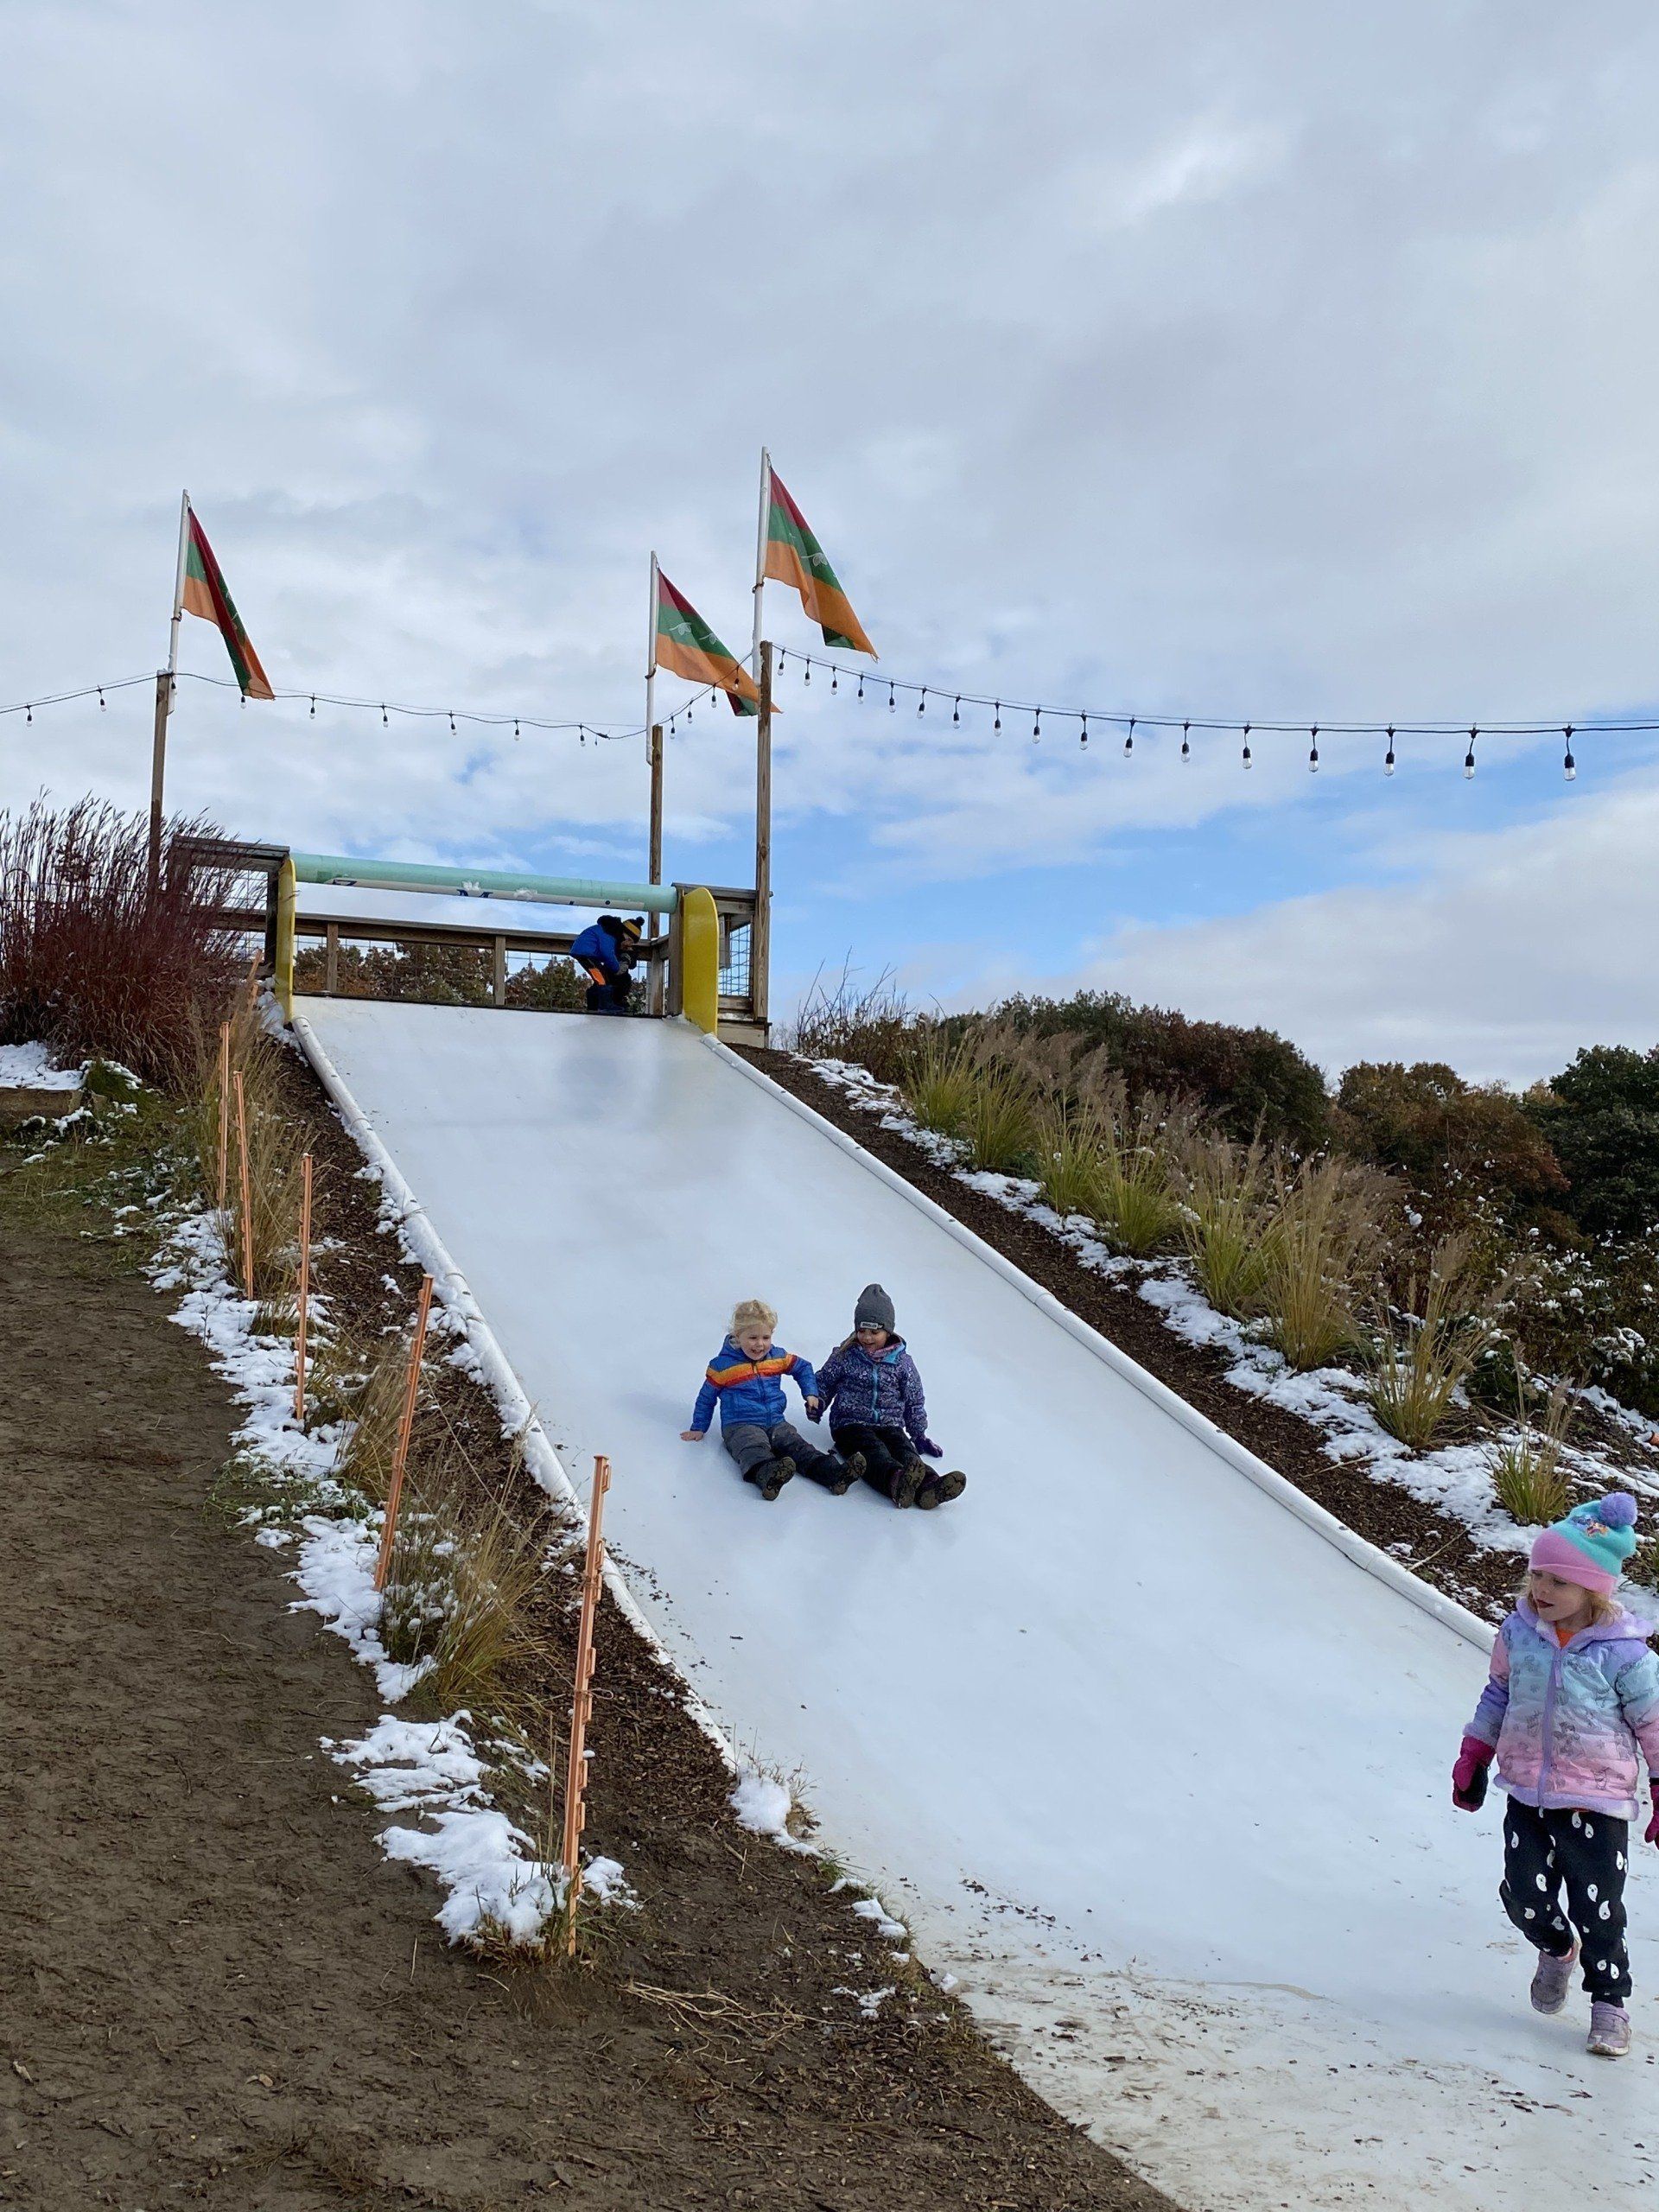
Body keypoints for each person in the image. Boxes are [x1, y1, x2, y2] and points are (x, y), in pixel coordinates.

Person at [1452, 1491, 1659, 2058]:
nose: (1541, 1589)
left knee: (1600, 1910)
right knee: (1522, 1895)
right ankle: (1556, 1947)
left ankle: (1610, 2004)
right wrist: (1475, 1753)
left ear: (1593, 1591)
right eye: (1537, 1575)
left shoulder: (1626, 1656)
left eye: (1559, 1581)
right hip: (1527, 1792)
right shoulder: (1518, 1633)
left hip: (1596, 1801)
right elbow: (1499, 1693)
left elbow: (1653, 1725)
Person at [681, 1298, 862, 1502]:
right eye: (752, 1337)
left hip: (776, 1421)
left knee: (797, 1446)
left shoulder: (776, 1357)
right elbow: (706, 1398)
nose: (760, 1344)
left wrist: (811, 1393)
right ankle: (769, 1475)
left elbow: (802, 1367)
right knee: (753, 1448)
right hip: (740, 1425)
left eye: (765, 1337)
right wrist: (698, 1427)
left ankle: (834, 1474)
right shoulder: (723, 1366)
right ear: (737, 1335)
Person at [814, 1283, 966, 1510]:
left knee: (904, 1450)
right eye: (862, 1331)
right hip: (850, 1424)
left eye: (874, 1332)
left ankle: (930, 1487)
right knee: (873, 1452)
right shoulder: (845, 1356)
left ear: (888, 1331)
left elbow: (914, 1399)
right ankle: (896, 1482)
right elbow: (825, 1381)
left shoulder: (902, 1363)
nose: (866, 1338)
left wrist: (918, 1434)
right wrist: (818, 1401)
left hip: (890, 1424)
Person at [569, 913, 643, 1013]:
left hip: (586, 952)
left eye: (631, 942)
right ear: (623, 932)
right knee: (601, 979)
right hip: (586, 953)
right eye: (628, 939)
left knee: (601, 976)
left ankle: (600, 1004)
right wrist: (617, 969)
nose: (628, 943)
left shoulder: (610, 931)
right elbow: (607, 953)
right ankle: (605, 1005)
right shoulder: (610, 934)